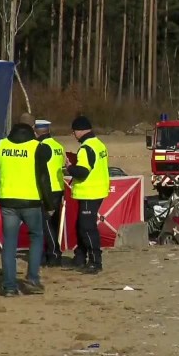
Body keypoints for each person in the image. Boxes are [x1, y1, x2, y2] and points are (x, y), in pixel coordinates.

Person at [0, 122, 55, 296]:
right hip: (31, 201)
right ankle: (32, 278)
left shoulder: (2, 145)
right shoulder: (36, 147)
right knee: (36, 237)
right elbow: (43, 177)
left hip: (8, 201)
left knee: (9, 243)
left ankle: (9, 286)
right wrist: (49, 204)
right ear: (32, 132)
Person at [66, 115, 110, 274]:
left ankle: (95, 261)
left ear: (79, 130)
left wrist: (69, 167)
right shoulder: (99, 144)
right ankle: (80, 256)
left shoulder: (85, 148)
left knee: (86, 227)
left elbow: (82, 172)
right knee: (82, 225)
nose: (73, 135)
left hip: (88, 191)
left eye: (74, 132)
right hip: (98, 190)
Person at [34, 119, 66, 267]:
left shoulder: (42, 147)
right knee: (53, 223)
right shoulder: (57, 146)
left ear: (36, 132)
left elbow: (41, 172)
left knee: (46, 224)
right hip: (58, 187)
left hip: (48, 189)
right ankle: (51, 253)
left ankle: (54, 254)